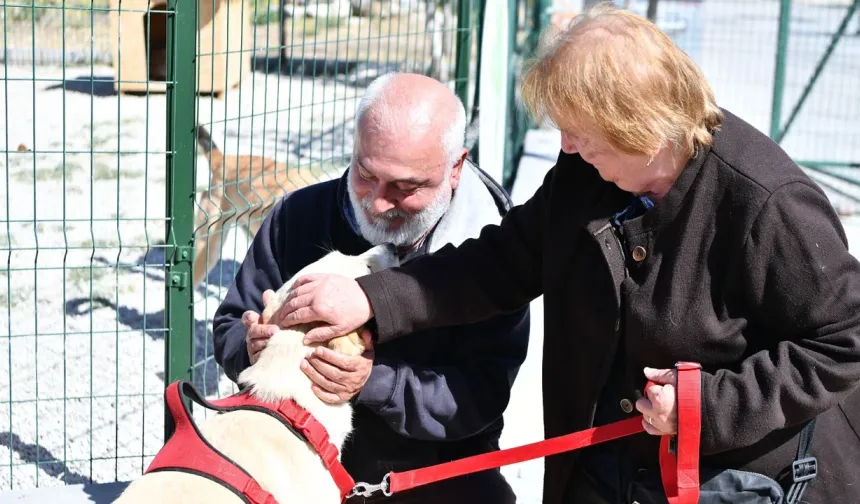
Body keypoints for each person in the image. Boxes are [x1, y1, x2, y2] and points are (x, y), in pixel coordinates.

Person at [271, 5, 860, 504]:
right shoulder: (588, 176)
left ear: (641, 128)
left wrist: (707, 404)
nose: (566, 145)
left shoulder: (767, 203)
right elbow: (499, 264)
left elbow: (843, 340)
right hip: (600, 469)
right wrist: (369, 298)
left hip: (733, 480)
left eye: (580, 130)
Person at [211, 72, 530, 504]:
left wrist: (373, 382)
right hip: (295, 465)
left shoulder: (493, 251)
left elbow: (477, 398)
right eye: (364, 174)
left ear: (455, 168)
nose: (377, 203)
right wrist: (251, 346)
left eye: (404, 187)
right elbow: (231, 321)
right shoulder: (299, 217)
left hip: (434, 474)